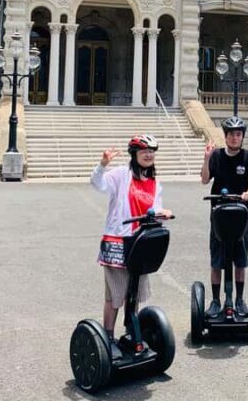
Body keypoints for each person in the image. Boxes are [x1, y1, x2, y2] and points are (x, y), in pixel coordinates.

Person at [91, 134, 172, 354]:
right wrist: (102, 165)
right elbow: (98, 185)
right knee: (115, 296)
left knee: (134, 293)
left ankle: (130, 333)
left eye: (152, 151)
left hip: (141, 243)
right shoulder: (120, 174)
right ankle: (107, 338)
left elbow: (154, 211)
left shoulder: (154, 183)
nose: (148, 154)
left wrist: (163, 214)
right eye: (144, 151)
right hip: (118, 241)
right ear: (134, 154)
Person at [200, 115, 248, 317]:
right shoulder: (217, 156)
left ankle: (239, 300)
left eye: (238, 134)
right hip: (218, 216)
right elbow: (204, 180)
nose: (235, 138)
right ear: (225, 136)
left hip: (240, 216)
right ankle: (217, 300)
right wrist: (207, 158)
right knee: (217, 260)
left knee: (240, 260)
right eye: (231, 135)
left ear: (242, 136)